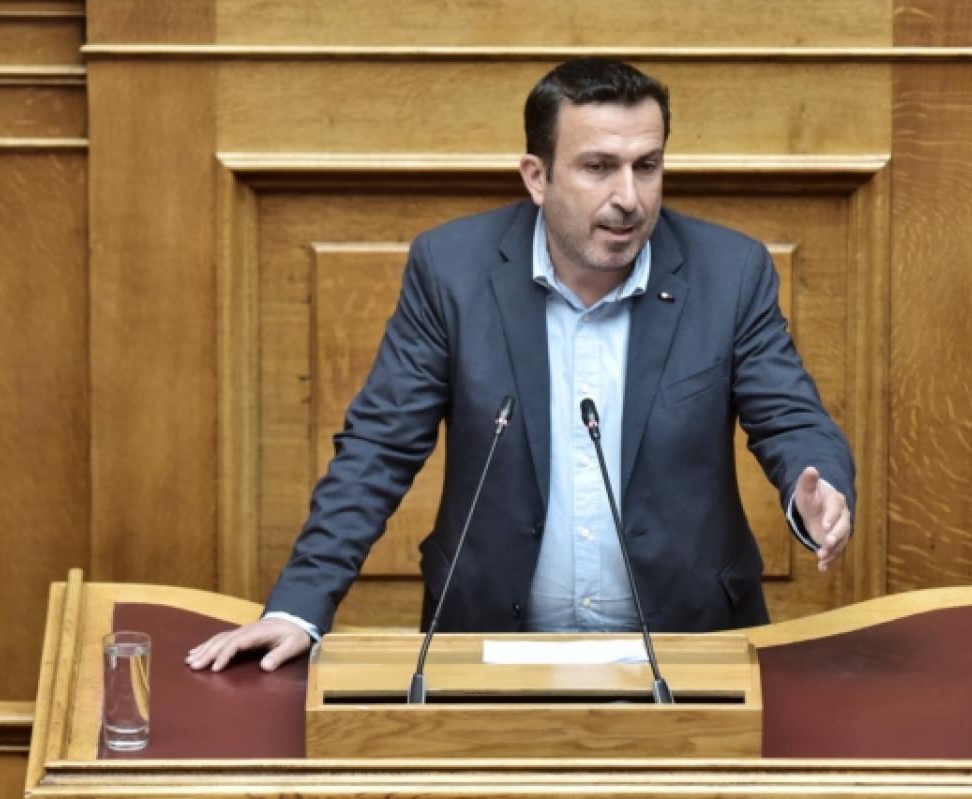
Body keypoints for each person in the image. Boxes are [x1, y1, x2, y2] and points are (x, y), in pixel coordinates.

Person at [188, 57, 855, 674]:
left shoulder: (729, 273)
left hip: (687, 645)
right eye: (598, 167)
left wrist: (818, 490)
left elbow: (790, 418)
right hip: (490, 648)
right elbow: (380, 447)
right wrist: (299, 606)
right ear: (537, 176)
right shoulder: (452, 270)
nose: (629, 196)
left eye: (646, 166)